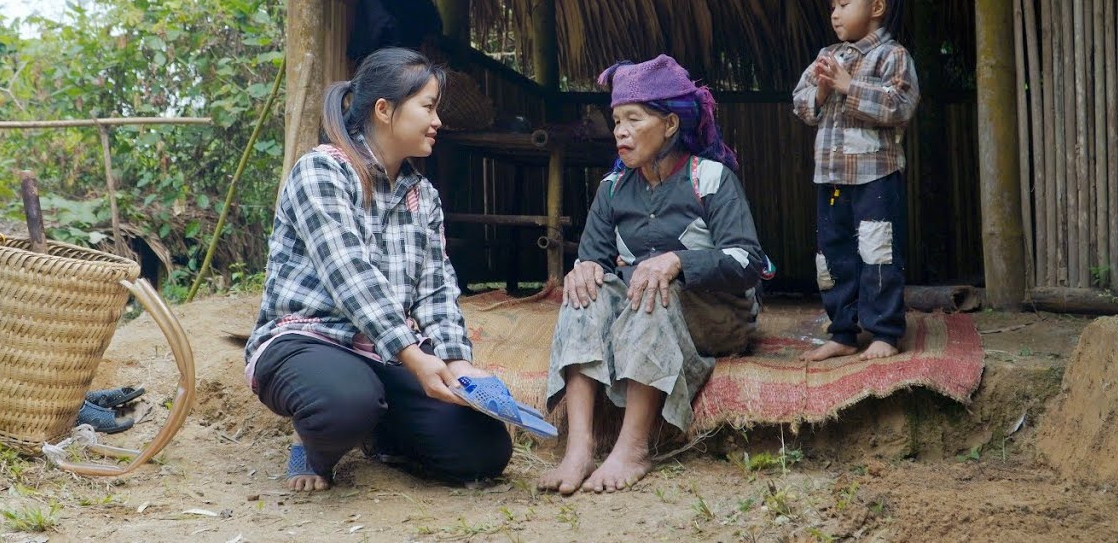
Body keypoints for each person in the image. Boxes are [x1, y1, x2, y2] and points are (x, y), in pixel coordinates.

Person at [244, 47, 513, 491]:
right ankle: (313, 448)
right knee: (343, 404)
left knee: (483, 451)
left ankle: (380, 432)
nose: (438, 121)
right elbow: (349, 275)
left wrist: (457, 363)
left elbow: (436, 288)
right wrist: (414, 358)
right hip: (309, 339)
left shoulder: (422, 195)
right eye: (428, 106)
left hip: (384, 353)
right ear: (384, 110)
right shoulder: (322, 171)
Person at [539, 54, 770, 494]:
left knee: (652, 288)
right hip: (643, 316)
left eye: (633, 119)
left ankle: (633, 447)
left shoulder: (711, 179)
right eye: (616, 120)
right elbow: (595, 265)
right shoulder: (612, 189)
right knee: (584, 290)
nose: (620, 131)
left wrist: (679, 261)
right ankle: (580, 448)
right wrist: (582, 271)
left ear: (669, 125)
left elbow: (748, 261)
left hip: (715, 317)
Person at [790, 0, 920, 363]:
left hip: (875, 177)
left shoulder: (892, 56)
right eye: (833, 5)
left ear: (876, 8)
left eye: (844, 4)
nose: (835, 13)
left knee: (877, 251)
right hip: (830, 178)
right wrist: (824, 92)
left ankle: (884, 332)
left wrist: (849, 86)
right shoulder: (826, 56)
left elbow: (901, 105)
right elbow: (800, 104)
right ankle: (843, 331)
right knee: (832, 255)